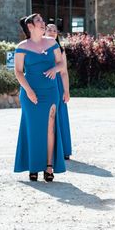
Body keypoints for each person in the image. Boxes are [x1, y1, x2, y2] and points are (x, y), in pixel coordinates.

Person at [13, 14, 66, 181]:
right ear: (30, 26)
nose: (43, 23)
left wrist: (55, 69)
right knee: (33, 128)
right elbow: (18, 72)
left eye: (43, 21)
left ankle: (49, 166)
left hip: (50, 91)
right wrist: (28, 91)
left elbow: (62, 64)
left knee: (50, 125)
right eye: (39, 21)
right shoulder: (21, 47)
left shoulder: (52, 43)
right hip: (30, 91)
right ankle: (33, 165)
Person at [45, 24, 72, 160]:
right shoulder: (38, 47)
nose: (52, 32)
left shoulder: (60, 50)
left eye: (55, 31)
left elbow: (64, 72)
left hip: (57, 85)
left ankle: (63, 150)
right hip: (43, 84)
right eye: (49, 29)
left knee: (60, 115)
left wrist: (66, 91)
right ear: (44, 31)